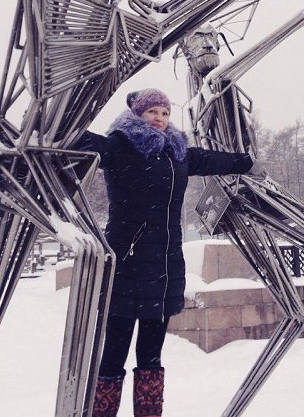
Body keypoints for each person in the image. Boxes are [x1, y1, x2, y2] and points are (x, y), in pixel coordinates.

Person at [75, 88, 255, 417]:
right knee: (113, 352)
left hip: (164, 265)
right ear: (138, 114)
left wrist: (245, 162)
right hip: (126, 262)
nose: (159, 118)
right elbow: (85, 143)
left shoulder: (177, 152)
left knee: (151, 355)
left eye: (164, 112)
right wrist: (55, 126)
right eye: (152, 112)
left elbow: (209, 160)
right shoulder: (120, 145)